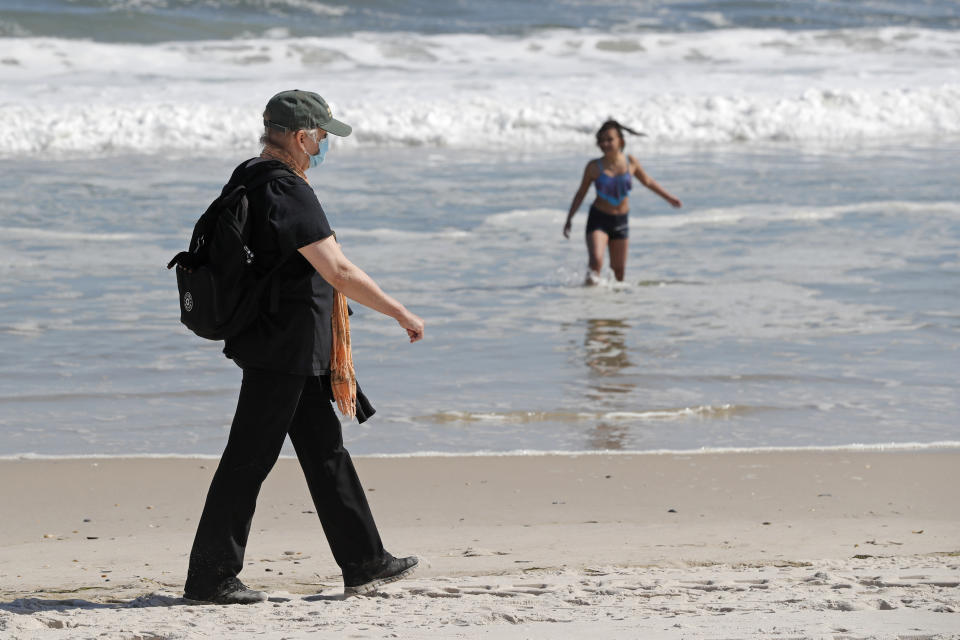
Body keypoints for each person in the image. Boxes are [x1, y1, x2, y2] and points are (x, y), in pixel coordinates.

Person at [183, 89, 424, 604]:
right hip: (284, 349)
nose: (322, 147)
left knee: (324, 452)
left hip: (284, 342)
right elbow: (336, 268)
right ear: (299, 136)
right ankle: (210, 576)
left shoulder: (249, 174)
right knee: (248, 458)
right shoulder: (288, 190)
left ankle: (365, 561)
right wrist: (399, 311)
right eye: (320, 137)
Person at [563, 120, 682, 283]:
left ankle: (617, 307)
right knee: (596, 262)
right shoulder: (593, 167)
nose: (605, 143)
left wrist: (669, 198)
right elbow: (580, 194)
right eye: (601, 140)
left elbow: (648, 181)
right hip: (598, 219)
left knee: (619, 272)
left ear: (621, 141)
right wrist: (569, 218)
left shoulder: (630, 162)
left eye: (609, 139)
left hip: (621, 221)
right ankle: (588, 303)